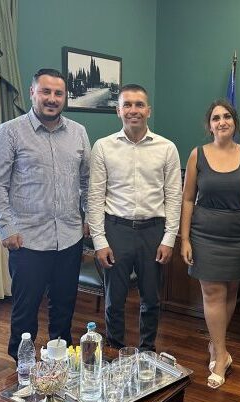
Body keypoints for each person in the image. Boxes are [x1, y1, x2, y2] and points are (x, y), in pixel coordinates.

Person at [0, 68, 91, 360]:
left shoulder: (78, 133)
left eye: (58, 93)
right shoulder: (9, 132)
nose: (52, 99)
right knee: (25, 311)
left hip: (69, 237)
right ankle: (22, 367)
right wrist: (6, 228)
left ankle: (60, 362)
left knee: (64, 307)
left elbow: (87, 180)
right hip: (27, 239)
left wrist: (87, 218)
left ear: (65, 97)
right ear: (32, 92)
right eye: (46, 91)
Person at [87, 84, 182, 352]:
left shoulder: (167, 148)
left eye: (139, 104)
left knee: (151, 299)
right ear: (118, 111)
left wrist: (169, 239)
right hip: (116, 230)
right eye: (127, 105)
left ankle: (147, 350)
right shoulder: (103, 147)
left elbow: (174, 196)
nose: (133, 110)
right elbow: (95, 197)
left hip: (153, 231)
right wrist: (99, 242)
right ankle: (116, 349)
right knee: (114, 300)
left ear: (148, 110)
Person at [180, 99, 240, 389]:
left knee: (230, 293)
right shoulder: (197, 155)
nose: (222, 121)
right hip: (206, 234)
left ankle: (216, 346)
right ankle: (222, 354)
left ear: (235, 122)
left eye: (227, 116)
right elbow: (188, 199)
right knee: (213, 293)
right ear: (209, 125)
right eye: (216, 118)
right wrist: (184, 238)